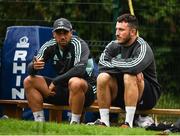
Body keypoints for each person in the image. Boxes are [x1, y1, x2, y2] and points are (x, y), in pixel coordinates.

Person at [90, 13, 161, 128]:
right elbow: (102, 65)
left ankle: (128, 123)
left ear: (132, 32)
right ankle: (104, 122)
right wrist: (128, 67)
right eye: (116, 29)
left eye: (121, 30)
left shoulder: (143, 47)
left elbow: (133, 68)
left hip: (147, 95)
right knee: (102, 77)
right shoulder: (113, 45)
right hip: (122, 92)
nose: (117, 33)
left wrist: (113, 62)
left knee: (129, 75)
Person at [23, 18, 96, 124]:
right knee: (29, 81)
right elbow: (30, 69)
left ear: (71, 32)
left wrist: (55, 81)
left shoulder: (79, 44)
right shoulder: (49, 45)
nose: (62, 36)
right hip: (63, 88)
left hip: (85, 92)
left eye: (65, 32)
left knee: (75, 82)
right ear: (53, 34)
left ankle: (75, 124)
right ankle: (39, 123)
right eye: (59, 33)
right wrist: (34, 66)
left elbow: (79, 69)